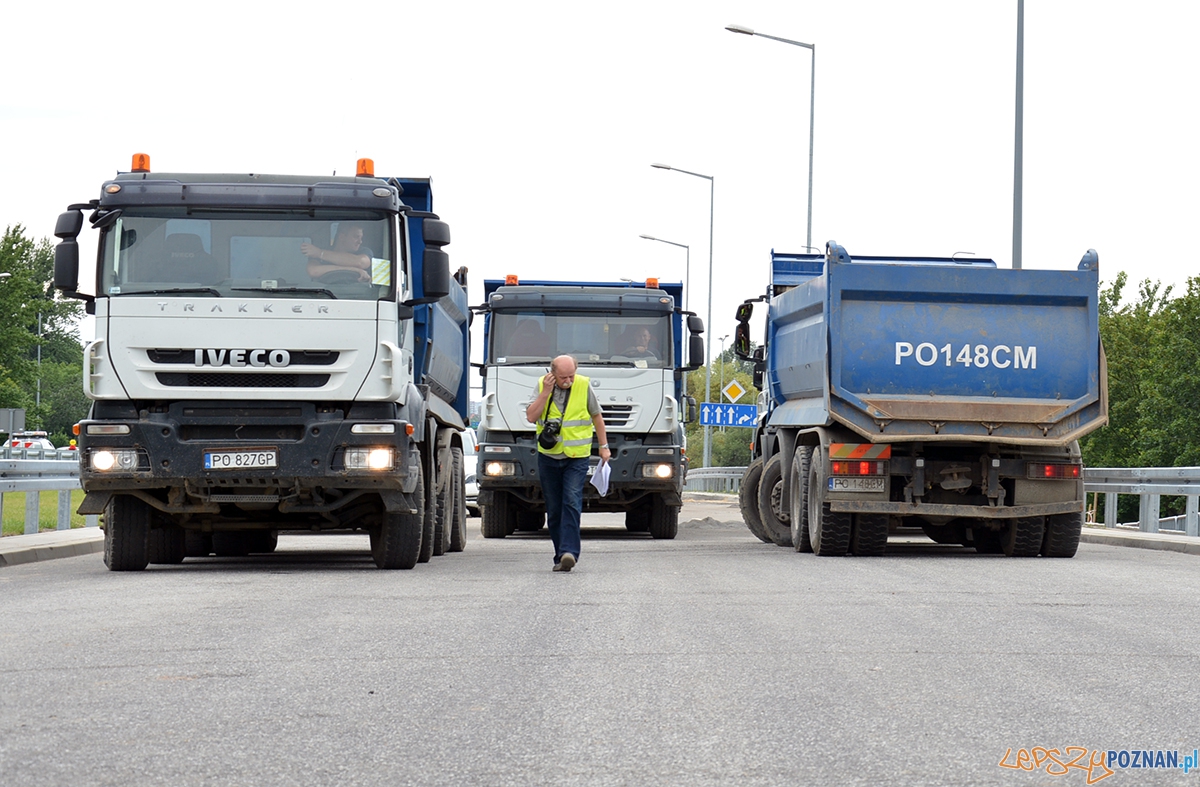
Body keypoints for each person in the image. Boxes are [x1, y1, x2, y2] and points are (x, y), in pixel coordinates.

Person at [525, 354, 611, 572]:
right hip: (549, 455)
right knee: (554, 509)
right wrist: (545, 392)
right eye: (563, 377)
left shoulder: (583, 384)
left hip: (576, 457)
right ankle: (559, 556)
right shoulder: (541, 386)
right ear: (552, 374)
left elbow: (597, 416)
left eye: (571, 375)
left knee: (571, 501)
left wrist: (604, 446)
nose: (568, 381)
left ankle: (569, 552)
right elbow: (531, 417)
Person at [302, 223, 372, 282]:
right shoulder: (317, 253)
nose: (360, 241)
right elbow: (313, 271)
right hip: (324, 296)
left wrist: (320, 253)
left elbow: (361, 263)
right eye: (356, 237)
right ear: (342, 237)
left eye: (361, 238)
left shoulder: (364, 251)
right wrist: (354, 270)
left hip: (359, 296)